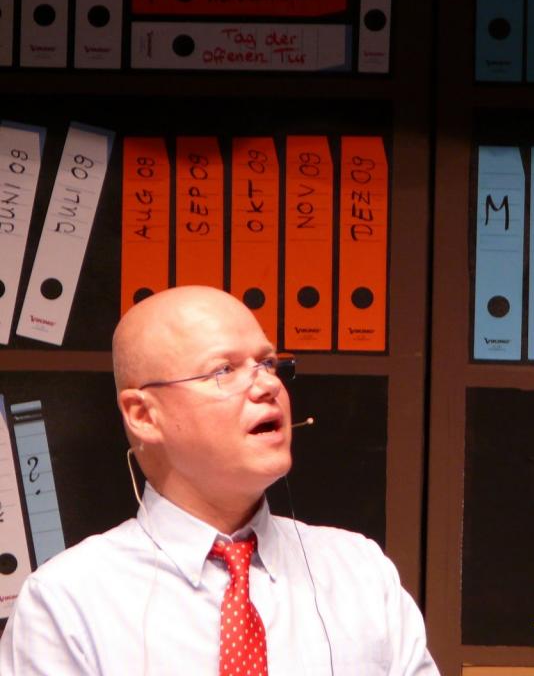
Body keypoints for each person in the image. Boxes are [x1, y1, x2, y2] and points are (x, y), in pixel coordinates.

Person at [0, 285, 440, 676]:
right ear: (143, 415)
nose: (267, 386)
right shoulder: (67, 603)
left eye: (268, 363)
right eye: (223, 371)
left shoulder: (360, 573)